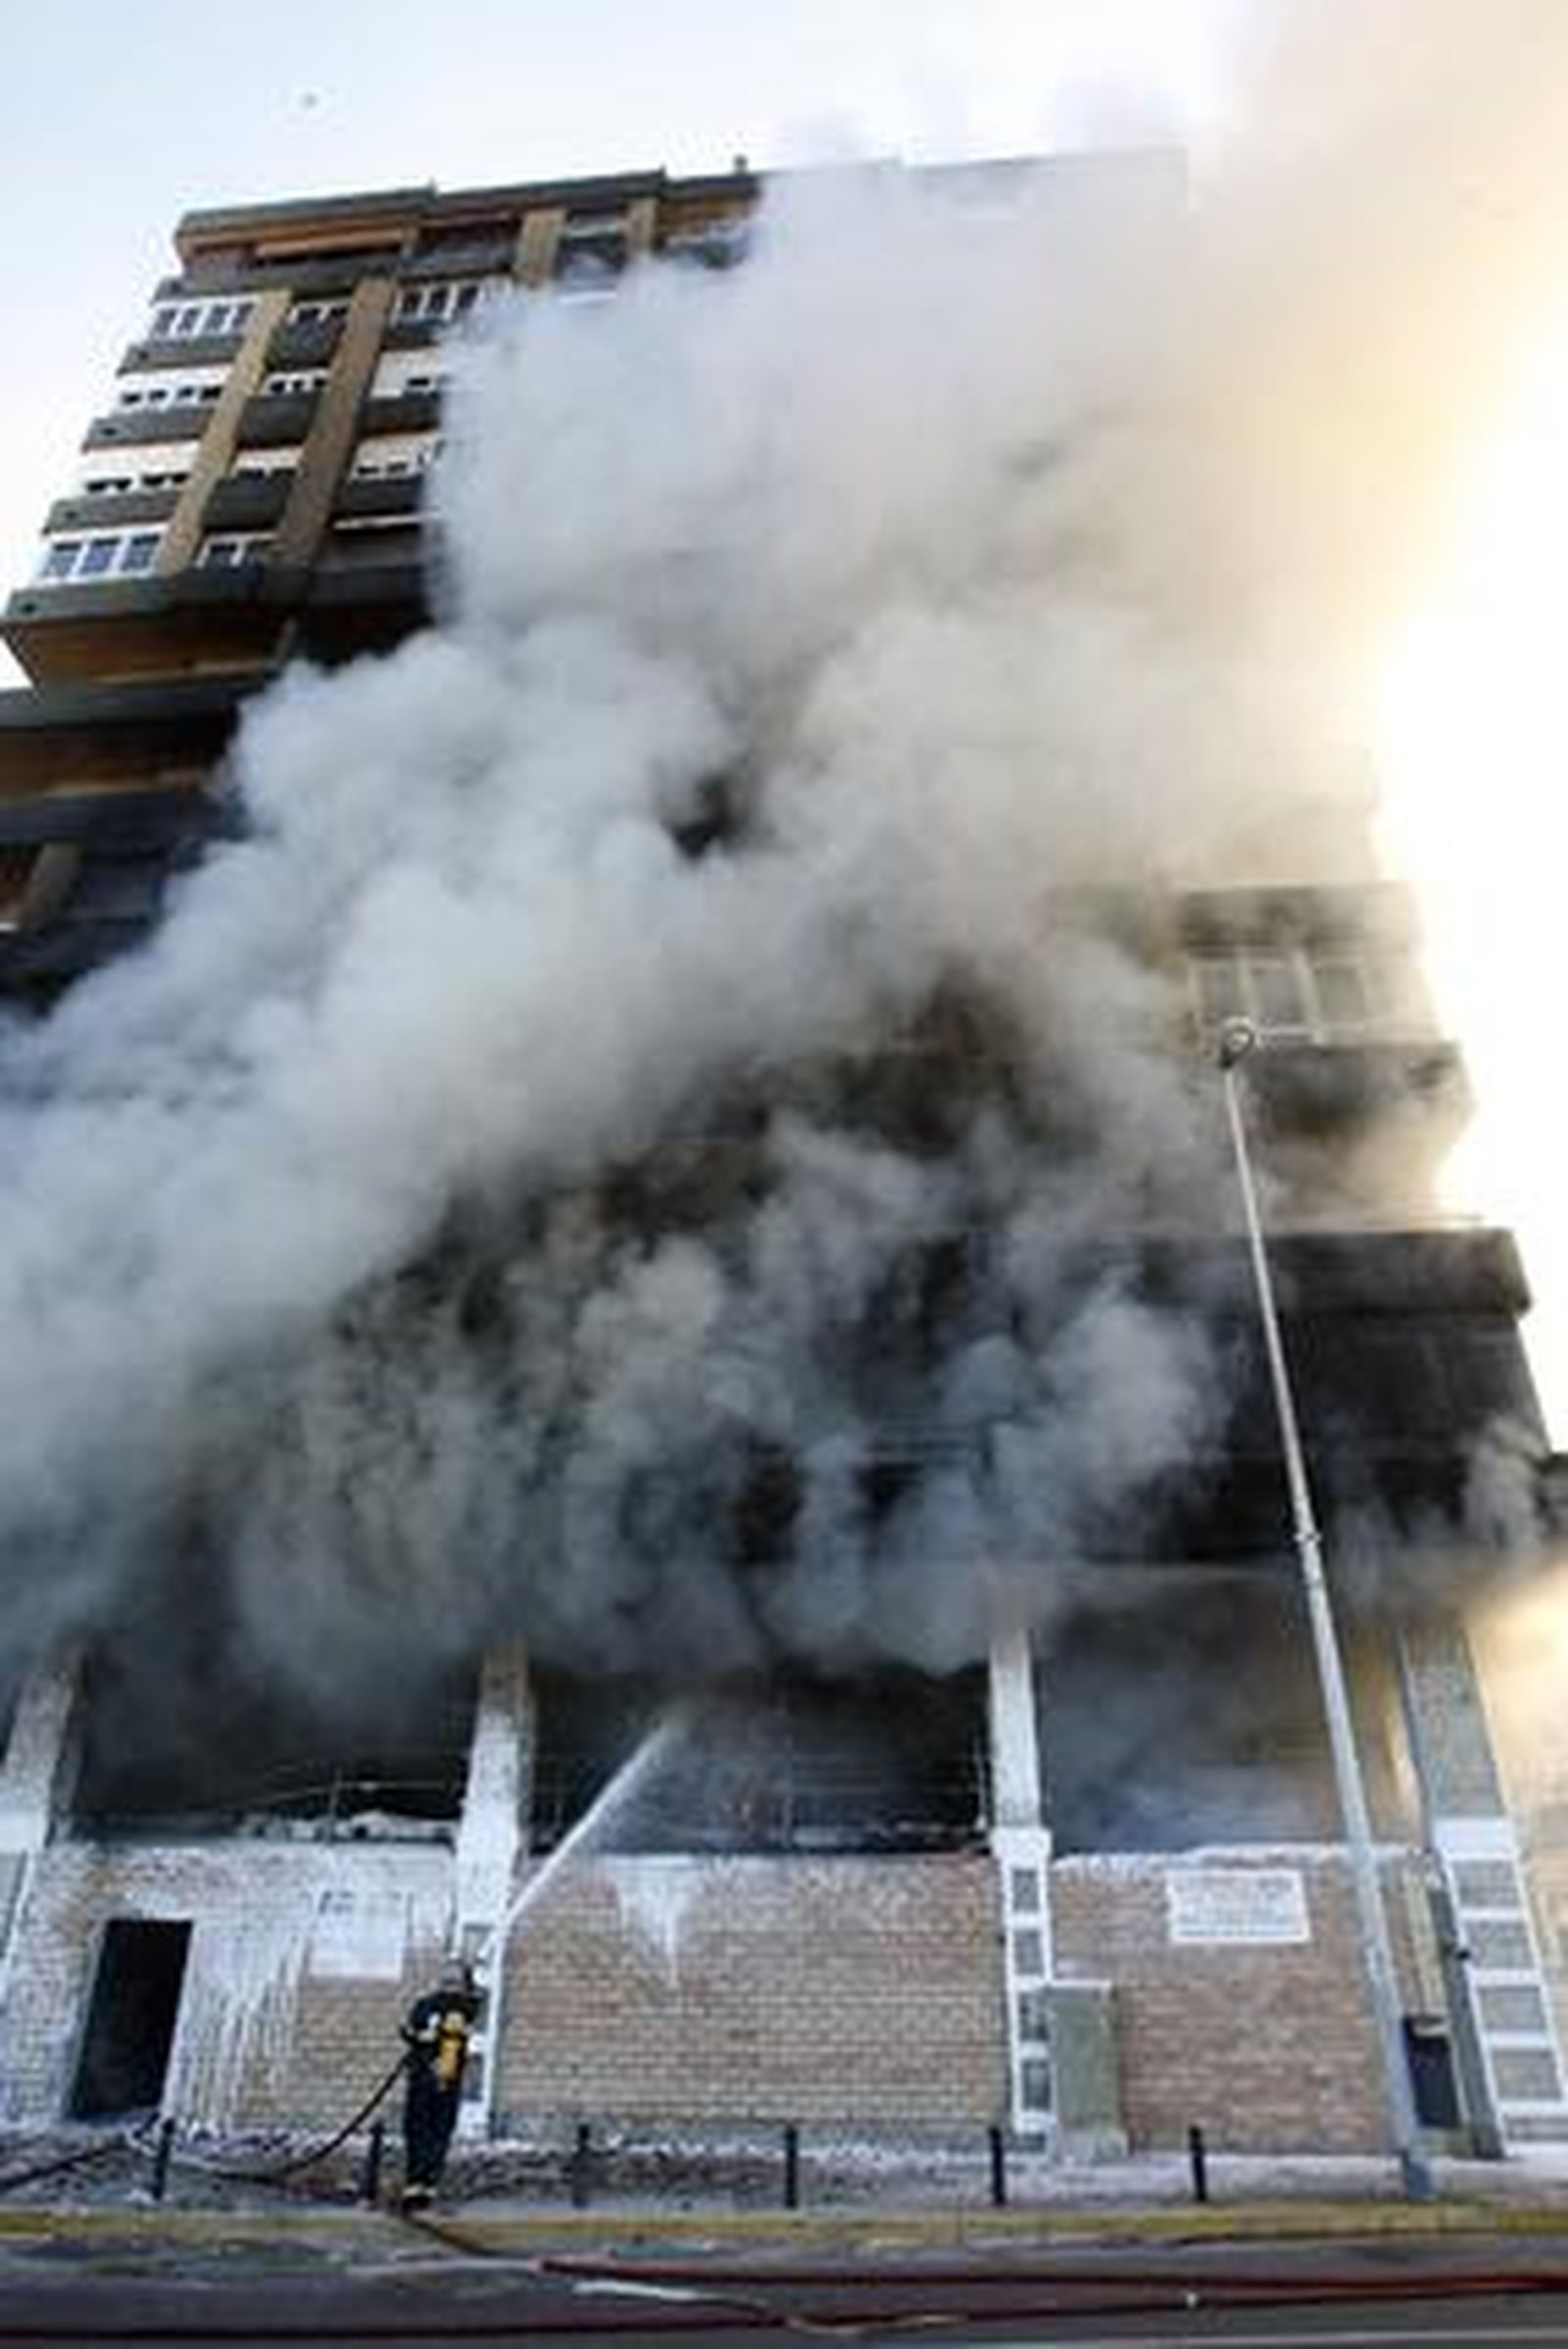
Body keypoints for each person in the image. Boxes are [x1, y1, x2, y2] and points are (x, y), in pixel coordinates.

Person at [399, 1958, 480, 2210]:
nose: (449, 1985)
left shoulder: (451, 2007)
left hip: (435, 2078)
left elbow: (411, 2031)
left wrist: (418, 2035)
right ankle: (422, 2184)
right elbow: (411, 2030)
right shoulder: (452, 2006)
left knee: (428, 2129)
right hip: (435, 2078)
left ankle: (421, 2184)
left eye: (454, 1979)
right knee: (429, 2130)